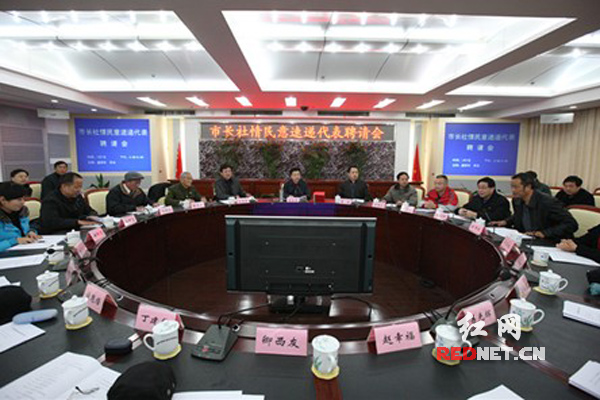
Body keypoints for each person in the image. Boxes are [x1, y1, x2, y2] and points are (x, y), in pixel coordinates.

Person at [489, 172, 578, 240]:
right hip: (527, 238)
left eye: (516, 187)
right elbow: (519, 215)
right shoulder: (517, 200)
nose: (513, 190)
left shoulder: (547, 202)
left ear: (528, 187)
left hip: (550, 241)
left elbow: (571, 224)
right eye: (512, 187)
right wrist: (505, 222)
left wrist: (544, 233)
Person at [0, 182, 41, 252]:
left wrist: (31, 232)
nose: (23, 202)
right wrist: (14, 241)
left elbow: (26, 229)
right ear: (3, 200)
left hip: (24, 251)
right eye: (19, 199)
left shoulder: (21, 213)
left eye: (24, 199)